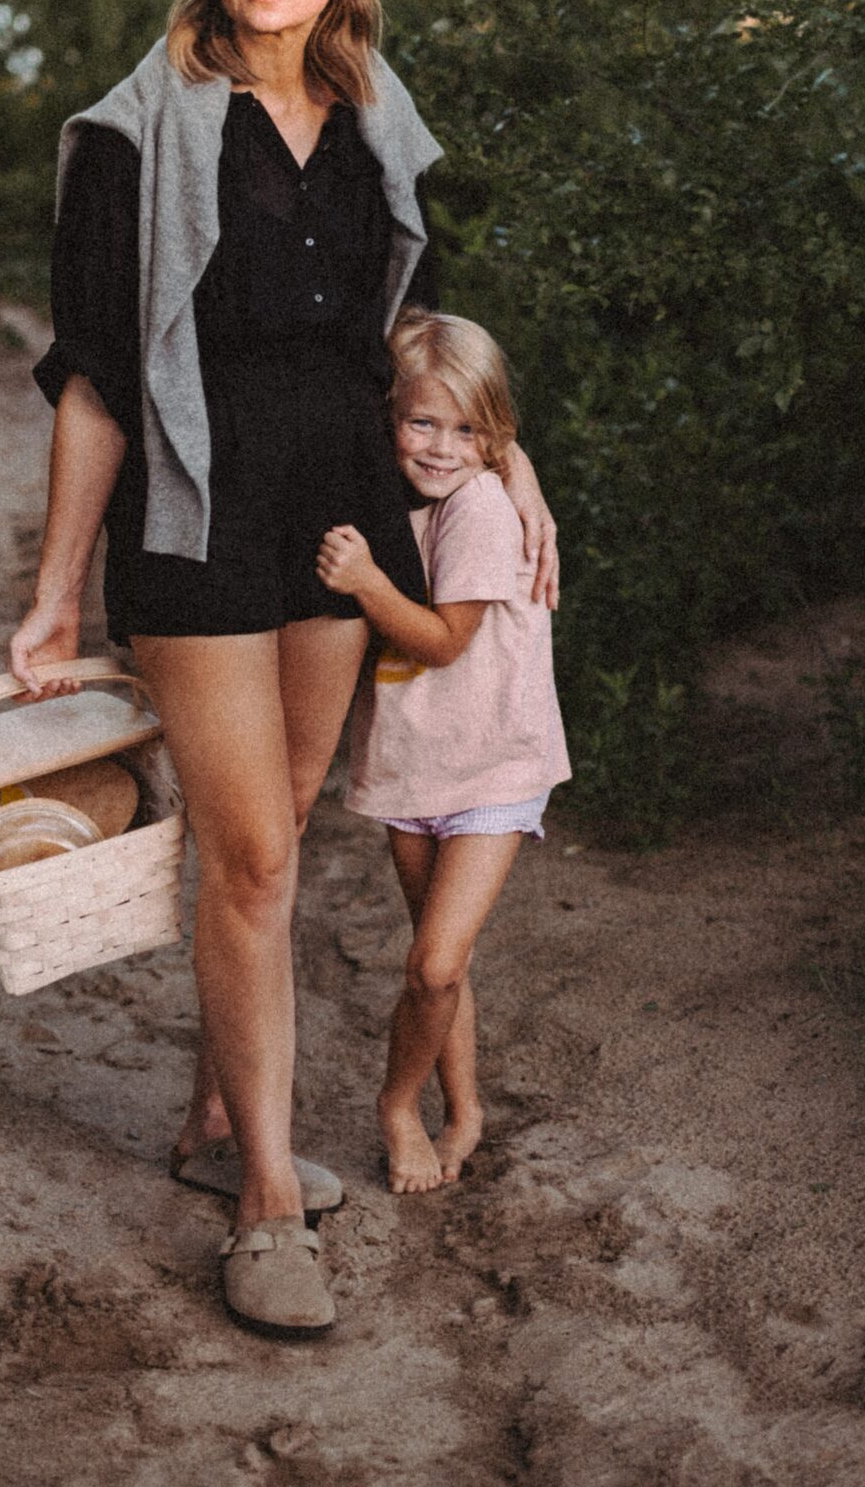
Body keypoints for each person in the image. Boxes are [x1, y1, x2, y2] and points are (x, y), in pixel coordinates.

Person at [8, 0, 557, 1338]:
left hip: (345, 524)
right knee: (250, 859)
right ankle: (261, 1198)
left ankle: (204, 1118)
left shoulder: (375, 119)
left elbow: (402, 336)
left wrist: (515, 472)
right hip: (196, 526)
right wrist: (61, 592)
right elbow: (93, 378)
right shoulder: (135, 138)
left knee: (286, 824)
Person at [315, 309, 570, 1195]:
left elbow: (441, 642)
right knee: (439, 960)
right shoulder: (397, 495)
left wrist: (364, 583)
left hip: (495, 759)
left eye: (467, 430)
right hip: (413, 759)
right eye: (422, 422)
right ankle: (464, 1109)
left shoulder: (484, 512)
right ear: (389, 419)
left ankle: (395, 1104)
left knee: (432, 964)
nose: (441, 447)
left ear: (495, 438)